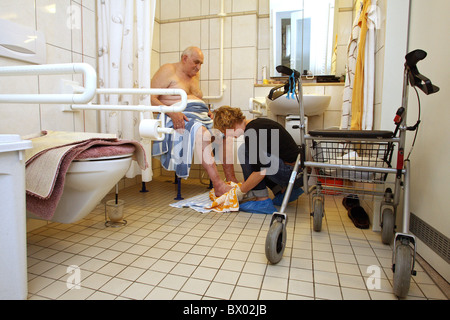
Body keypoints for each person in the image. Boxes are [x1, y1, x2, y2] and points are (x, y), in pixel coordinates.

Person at [151, 47, 235, 196]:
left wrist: (206, 110)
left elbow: (195, 98)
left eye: (201, 64)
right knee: (202, 133)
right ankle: (218, 185)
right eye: (196, 62)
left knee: (225, 134)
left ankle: (231, 180)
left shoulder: (194, 75)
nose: (198, 67)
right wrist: (171, 112)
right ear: (184, 58)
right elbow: (149, 98)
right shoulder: (168, 70)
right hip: (177, 117)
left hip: (200, 117)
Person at [213, 106, 304, 214]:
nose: (227, 136)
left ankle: (262, 201)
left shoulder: (251, 133)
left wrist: (239, 193)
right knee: (251, 154)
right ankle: (282, 191)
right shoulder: (256, 125)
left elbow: (259, 172)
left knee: (244, 150)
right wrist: (244, 184)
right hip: (297, 172)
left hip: (292, 174)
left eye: (224, 132)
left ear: (229, 126)